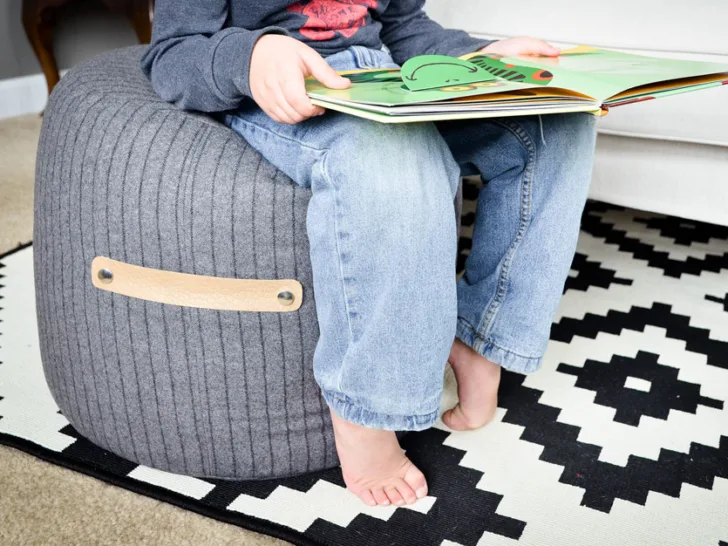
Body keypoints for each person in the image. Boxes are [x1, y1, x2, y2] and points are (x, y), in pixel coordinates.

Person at [141, 0, 597, 508]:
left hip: (383, 79)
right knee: (395, 159)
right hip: (277, 93)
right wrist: (250, 57)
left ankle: (482, 338)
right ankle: (366, 411)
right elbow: (171, 55)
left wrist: (479, 57)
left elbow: (403, 26)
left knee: (557, 121)